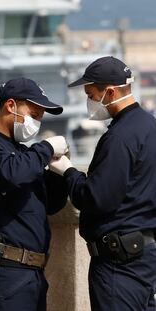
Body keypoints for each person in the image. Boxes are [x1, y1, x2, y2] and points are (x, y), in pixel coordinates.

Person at [49, 56, 156, 310]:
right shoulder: (149, 126)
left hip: (119, 264)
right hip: (144, 256)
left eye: (91, 94)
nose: (90, 102)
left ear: (109, 92)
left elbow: (97, 198)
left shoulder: (119, 137)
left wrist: (68, 172)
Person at [0, 77, 69, 311]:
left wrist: (59, 174)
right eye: (34, 113)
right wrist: (46, 148)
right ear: (10, 106)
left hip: (32, 272)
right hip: (6, 270)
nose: (37, 121)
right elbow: (11, 174)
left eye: (41, 116)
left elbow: (49, 205)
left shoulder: (21, 153)